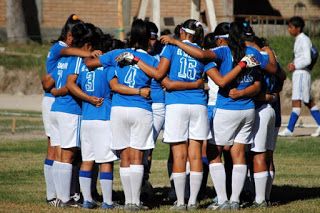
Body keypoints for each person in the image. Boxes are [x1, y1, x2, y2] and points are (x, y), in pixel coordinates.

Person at [160, 21, 266, 210]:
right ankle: (233, 200)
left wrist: (175, 42)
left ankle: (216, 199)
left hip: (225, 108)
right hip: (246, 108)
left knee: (208, 153)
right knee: (238, 153)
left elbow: (218, 76)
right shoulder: (253, 53)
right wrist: (243, 91)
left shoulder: (222, 51)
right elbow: (263, 80)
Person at [41, 14, 100, 206]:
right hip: (65, 107)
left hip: (55, 104)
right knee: (66, 153)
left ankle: (59, 196)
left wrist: (56, 89)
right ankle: (63, 198)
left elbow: (47, 81)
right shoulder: (66, 52)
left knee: (58, 151)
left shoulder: (63, 58)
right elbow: (68, 83)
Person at [278, 16, 320, 137]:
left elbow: (307, 59)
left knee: (297, 100)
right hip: (300, 73)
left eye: (291, 27)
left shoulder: (303, 39)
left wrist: (295, 65)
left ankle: (289, 130)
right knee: (307, 100)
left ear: (298, 28)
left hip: (301, 73)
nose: (289, 29)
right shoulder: (299, 39)